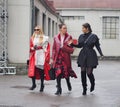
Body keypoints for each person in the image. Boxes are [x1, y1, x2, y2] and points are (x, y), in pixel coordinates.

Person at [69, 23, 104, 95]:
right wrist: (72, 44)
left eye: (83, 28)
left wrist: (101, 54)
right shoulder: (81, 36)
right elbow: (79, 45)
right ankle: (84, 89)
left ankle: (92, 83)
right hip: (83, 54)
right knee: (82, 72)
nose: (82, 30)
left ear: (87, 28)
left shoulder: (94, 36)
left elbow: (97, 46)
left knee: (89, 73)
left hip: (91, 55)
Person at [52, 24, 77, 95]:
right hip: (58, 58)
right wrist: (52, 58)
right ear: (60, 29)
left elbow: (71, 50)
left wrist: (63, 47)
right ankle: (59, 88)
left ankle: (68, 82)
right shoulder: (56, 37)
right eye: (64, 28)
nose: (65, 30)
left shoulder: (69, 37)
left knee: (66, 73)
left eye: (66, 28)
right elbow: (54, 49)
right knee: (58, 73)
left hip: (65, 58)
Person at [28, 26, 50, 92]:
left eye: (37, 29)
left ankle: (42, 85)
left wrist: (40, 47)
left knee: (41, 71)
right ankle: (34, 84)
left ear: (40, 30)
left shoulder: (44, 38)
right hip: (34, 55)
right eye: (35, 29)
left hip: (41, 55)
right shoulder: (32, 38)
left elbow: (46, 47)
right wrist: (33, 48)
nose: (36, 31)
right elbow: (31, 47)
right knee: (32, 71)